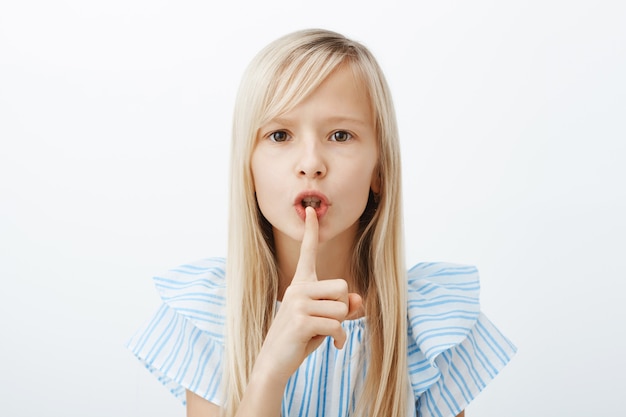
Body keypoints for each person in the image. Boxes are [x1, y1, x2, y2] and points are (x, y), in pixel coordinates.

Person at [127, 28, 516, 417]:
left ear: (378, 171)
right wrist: (269, 373)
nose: (311, 162)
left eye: (340, 135)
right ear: (248, 170)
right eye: (280, 135)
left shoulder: (428, 329)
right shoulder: (211, 317)